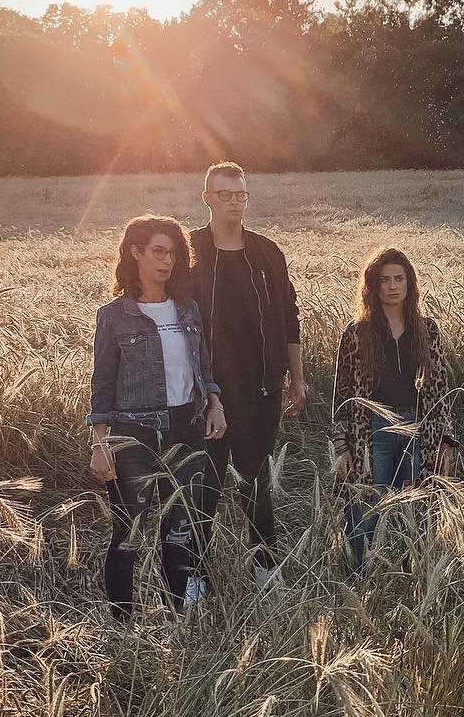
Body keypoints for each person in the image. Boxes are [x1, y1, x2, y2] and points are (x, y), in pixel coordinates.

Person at [88, 216, 226, 619]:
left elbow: (203, 368)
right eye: (158, 252)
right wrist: (99, 444)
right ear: (136, 252)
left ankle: (178, 617)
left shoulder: (187, 309)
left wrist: (214, 404)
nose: (167, 261)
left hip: (187, 428)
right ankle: (124, 624)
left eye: (173, 253)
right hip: (133, 434)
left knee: (180, 531)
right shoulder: (115, 315)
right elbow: (102, 383)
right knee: (128, 532)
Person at [188, 162, 305, 593]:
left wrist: (296, 376)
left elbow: (289, 316)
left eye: (240, 194)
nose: (234, 202)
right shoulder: (192, 251)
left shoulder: (266, 253)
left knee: (256, 478)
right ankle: (197, 579)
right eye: (224, 195)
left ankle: (266, 569)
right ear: (207, 198)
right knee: (207, 485)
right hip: (207, 392)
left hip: (261, 389)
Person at [331, 248, 456, 566]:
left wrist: (445, 439)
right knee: (365, 510)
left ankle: (412, 586)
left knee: (414, 514)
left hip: (419, 429)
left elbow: (440, 389)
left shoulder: (427, 331)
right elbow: (343, 394)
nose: (392, 286)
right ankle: (357, 584)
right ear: (373, 286)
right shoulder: (357, 333)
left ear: (409, 283)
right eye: (384, 280)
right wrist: (342, 444)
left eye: (399, 278)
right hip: (372, 430)